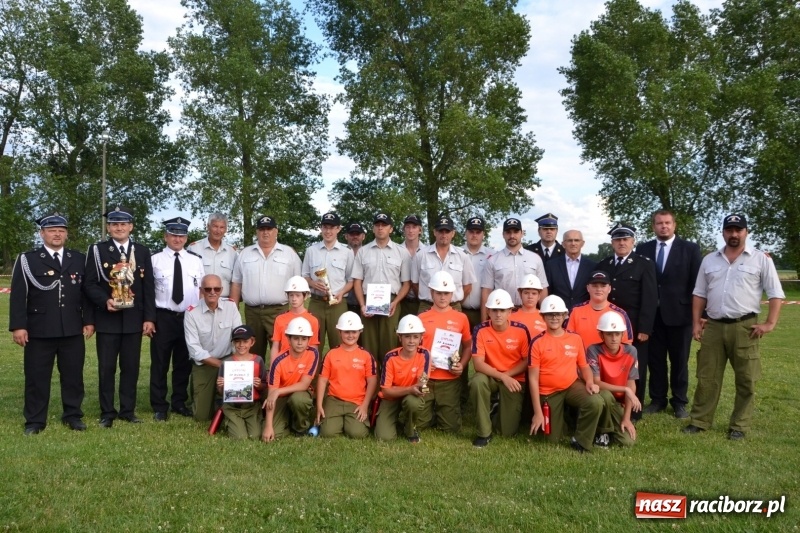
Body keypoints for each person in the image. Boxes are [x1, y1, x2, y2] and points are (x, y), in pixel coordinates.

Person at [684, 214, 784, 440]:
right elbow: (699, 293)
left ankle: (739, 425)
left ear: (746, 232)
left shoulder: (761, 259)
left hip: (745, 327)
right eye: (729, 230)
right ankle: (700, 421)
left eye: (738, 230)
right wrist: (696, 322)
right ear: (723, 232)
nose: (734, 234)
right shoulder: (709, 260)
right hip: (713, 326)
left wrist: (769, 323)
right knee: (707, 377)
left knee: (746, 379)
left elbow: (775, 293)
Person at [10, 212, 92, 435]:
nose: (57, 234)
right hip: (39, 329)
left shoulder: (79, 259)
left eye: (61, 231)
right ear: (42, 233)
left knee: (73, 376)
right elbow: (18, 296)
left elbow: (85, 294)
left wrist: (89, 321)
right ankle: (35, 420)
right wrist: (18, 326)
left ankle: (73, 415)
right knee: (37, 377)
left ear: (66, 234)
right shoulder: (28, 259)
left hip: (72, 328)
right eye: (52, 230)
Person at [84, 206, 156, 427]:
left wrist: (149, 318)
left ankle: (127, 410)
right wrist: (105, 301)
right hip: (108, 319)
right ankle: (107, 412)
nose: (119, 228)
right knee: (106, 368)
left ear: (131, 227)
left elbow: (148, 288)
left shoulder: (142, 251)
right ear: (108, 227)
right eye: (114, 224)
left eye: (123, 224)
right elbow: (89, 284)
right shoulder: (97, 251)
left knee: (130, 368)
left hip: (134, 320)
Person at [635, 209, 701, 419]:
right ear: (653, 226)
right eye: (659, 223)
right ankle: (658, 400)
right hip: (652, 317)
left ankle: (679, 402)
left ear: (674, 225)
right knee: (655, 361)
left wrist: (699, 316)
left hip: (680, 315)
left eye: (667, 223)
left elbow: (697, 284)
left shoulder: (690, 249)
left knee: (679, 361)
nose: (663, 226)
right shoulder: (643, 249)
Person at [596, 223, 657, 420]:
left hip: (634, 325)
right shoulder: (604, 264)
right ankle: (610, 406)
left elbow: (650, 298)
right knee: (609, 366)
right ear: (612, 243)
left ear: (633, 241)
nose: (621, 243)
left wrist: (645, 328)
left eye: (625, 239)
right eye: (617, 239)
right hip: (607, 326)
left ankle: (635, 410)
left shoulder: (644, 264)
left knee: (635, 368)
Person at [528, 295, 603, 453]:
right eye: (550, 314)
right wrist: (538, 413)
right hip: (548, 392)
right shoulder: (537, 342)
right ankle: (564, 421)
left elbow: (584, 366)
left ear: (564, 316)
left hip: (571, 385)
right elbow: (533, 379)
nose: (554, 318)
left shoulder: (575, 338)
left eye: (558, 314)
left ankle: (581, 440)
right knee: (552, 439)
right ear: (543, 317)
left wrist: (589, 382)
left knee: (595, 402)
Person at [150, 217, 205, 421]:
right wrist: (149, 319)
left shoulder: (195, 260)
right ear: (165, 236)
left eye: (181, 236)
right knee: (160, 363)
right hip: (163, 317)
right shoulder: (154, 260)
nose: (177, 239)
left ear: (186, 238)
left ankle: (179, 402)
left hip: (188, 316)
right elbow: (148, 292)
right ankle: (159, 406)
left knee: (183, 363)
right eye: (173, 235)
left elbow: (201, 290)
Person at [229, 215, 302, 357]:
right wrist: (233, 309)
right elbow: (236, 284)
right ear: (257, 232)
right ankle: (257, 373)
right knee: (252, 353)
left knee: (282, 353)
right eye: (262, 229)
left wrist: (297, 311)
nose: (265, 232)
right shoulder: (245, 254)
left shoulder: (289, 254)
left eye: (269, 229)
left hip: (279, 311)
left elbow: (298, 283)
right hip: (252, 313)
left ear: (276, 231)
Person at [351, 212, 412, 371]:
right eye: (377, 225)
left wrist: (395, 302)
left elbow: (406, 283)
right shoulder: (363, 251)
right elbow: (357, 282)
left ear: (390, 229)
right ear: (373, 228)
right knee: (369, 345)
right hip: (368, 302)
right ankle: (371, 382)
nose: (380, 228)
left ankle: (388, 382)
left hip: (391, 302)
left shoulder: (401, 252)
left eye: (384, 225)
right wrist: (362, 305)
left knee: (390, 344)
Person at [470, 289, 530, 447]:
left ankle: (496, 409)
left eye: (502, 310)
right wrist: (502, 376)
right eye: (494, 310)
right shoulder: (480, 330)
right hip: (490, 376)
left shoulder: (521, 330)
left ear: (510, 311)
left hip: (514, 378)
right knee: (477, 382)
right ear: (488, 311)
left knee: (507, 432)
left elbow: (526, 361)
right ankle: (484, 433)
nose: (498, 314)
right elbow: (478, 364)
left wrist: (507, 375)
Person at [417, 272, 472, 432]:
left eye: (446, 293)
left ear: (452, 294)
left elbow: (468, 346)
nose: (442, 297)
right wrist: (424, 364)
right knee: (419, 424)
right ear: (431, 292)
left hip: (449, 379)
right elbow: (414, 349)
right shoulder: (421, 318)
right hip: (426, 378)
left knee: (450, 428)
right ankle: (429, 412)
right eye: (439, 293)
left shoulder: (461, 318)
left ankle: (439, 412)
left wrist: (462, 365)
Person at [184, 274, 242, 422]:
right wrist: (221, 365)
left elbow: (239, 338)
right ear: (201, 290)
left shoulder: (231, 306)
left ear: (221, 290)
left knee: (238, 405)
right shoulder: (191, 312)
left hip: (228, 359)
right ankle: (208, 394)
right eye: (208, 289)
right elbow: (195, 350)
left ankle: (220, 397)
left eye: (216, 289)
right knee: (202, 416)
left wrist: (236, 366)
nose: (212, 292)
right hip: (205, 364)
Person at [315, 312, 377, 438]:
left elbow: (372, 381)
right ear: (339, 332)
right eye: (346, 332)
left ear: (360, 331)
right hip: (334, 400)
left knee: (357, 433)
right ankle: (337, 420)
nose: (350, 335)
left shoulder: (366, 356)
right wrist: (319, 405)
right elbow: (322, 380)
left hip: (357, 401)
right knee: (327, 433)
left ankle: (349, 422)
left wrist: (365, 405)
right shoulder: (331, 354)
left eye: (354, 332)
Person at [586, 312, 640, 448]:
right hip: (600, 398)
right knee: (605, 395)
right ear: (601, 335)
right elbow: (597, 382)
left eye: (617, 334)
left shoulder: (631, 351)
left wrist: (627, 418)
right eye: (609, 334)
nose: (614, 338)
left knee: (627, 442)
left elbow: (631, 386)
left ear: (623, 334)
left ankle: (612, 427)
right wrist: (625, 389)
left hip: (618, 403)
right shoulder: (593, 350)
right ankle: (602, 432)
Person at [374, 315, 431, 443]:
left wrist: (417, 389)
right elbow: (386, 391)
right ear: (399, 337)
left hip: (411, 396)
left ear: (421, 338)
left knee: (413, 403)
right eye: (407, 336)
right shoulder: (390, 357)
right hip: (391, 398)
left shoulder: (425, 354)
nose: (411, 341)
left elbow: (421, 384)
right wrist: (409, 389)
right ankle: (396, 419)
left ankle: (410, 429)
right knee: (384, 437)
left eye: (415, 337)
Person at [262, 317, 320, 442]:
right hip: (280, 398)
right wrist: (268, 426)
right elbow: (271, 397)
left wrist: (278, 391)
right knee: (275, 434)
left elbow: (304, 385)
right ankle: (286, 419)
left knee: (299, 400)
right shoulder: (278, 361)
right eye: (296, 338)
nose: (300, 343)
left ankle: (300, 428)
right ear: (288, 339)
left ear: (309, 340)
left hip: (299, 393)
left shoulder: (313, 354)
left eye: (304, 339)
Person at [303, 212, 353, 350]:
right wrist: (313, 283)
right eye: (325, 227)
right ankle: (315, 365)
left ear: (338, 229)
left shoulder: (347, 252)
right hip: (316, 302)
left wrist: (341, 293)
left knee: (339, 344)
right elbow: (305, 275)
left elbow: (351, 280)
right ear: (321, 228)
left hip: (338, 303)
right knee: (312, 344)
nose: (328, 231)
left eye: (332, 227)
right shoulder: (311, 250)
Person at [480, 218, 548, 320]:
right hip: (502, 313)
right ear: (503, 234)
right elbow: (486, 291)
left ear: (522, 233)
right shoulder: (493, 260)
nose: (512, 236)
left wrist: (545, 316)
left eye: (516, 232)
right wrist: (484, 320)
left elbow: (543, 289)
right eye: (508, 232)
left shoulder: (535, 258)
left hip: (529, 313)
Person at [460, 216, 495, 403]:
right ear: (465, 233)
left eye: (478, 232)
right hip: (461, 310)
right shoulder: (456, 252)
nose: (474, 235)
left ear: (483, 234)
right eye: (471, 231)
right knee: (458, 352)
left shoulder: (492, 255)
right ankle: (460, 394)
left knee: (487, 353)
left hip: (483, 311)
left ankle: (488, 393)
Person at [412, 214, 476, 313]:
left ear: (453, 233)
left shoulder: (463, 256)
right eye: (440, 231)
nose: (444, 235)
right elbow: (414, 284)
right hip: (427, 307)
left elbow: (468, 286)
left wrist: (453, 302)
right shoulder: (421, 255)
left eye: (447, 231)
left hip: (453, 307)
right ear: (435, 232)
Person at [216, 325, 267, 439]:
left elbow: (264, 385)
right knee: (240, 437)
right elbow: (220, 392)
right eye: (237, 341)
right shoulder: (227, 363)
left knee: (255, 435)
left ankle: (255, 420)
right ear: (233, 343)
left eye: (245, 341)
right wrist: (220, 386)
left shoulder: (258, 360)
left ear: (252, 342)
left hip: (252, 406)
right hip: (232, 407)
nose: (241, 345)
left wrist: (259, 385)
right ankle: (230, 420)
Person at [566, 271, 634, 349]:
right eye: (594, 286)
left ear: (609, 288)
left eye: (603, 286)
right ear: (588, 288)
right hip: (581, 356)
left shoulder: (620, 314)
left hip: (608, 357)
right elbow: (567, 340)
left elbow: (627, 345)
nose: (598, 289)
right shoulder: (576, 311)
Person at [187, 213, 238, 298]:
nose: (218, 231)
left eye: (222, 227)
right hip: (200, 300)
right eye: (215, 226)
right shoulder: (194, 248)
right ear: (208, 227)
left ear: (226, 229)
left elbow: (235, 282)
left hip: (224, 301)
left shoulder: (232, 252)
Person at [544, 229, 597, 311]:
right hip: (558, 313)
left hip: (584, 313)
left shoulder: (592, 266)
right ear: (563, 244)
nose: (573, 243)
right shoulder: (551, 265)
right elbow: (548, 291)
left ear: (582, 243)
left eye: (576, 240)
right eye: (569, 240)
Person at [270, 276, 320, 362]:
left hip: (303, 364)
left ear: (305, 296)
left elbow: (314, 348)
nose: (294, 299)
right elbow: (275, 346)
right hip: (283, 363)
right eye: (291, 295)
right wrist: (272, 367)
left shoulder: (313, 320)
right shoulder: (280, 319)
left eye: (298, 295)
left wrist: (311, 368)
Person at [399, 214, 424, 318]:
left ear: (420, 230)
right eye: (407, 227)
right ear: (403, 229)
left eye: (414, 227)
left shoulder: (427, 252)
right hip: (401, 302)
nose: (410, 230)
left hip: (422, 302)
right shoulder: (396, 250)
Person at [344, 222, 367, 314]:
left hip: (365, 302)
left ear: (363, 236)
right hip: (343, 301)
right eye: (352, 234)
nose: (355, 236)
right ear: (346, 236)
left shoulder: (369, 253)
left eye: (358, 234)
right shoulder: (339, 254)